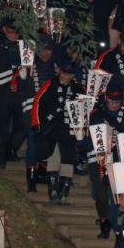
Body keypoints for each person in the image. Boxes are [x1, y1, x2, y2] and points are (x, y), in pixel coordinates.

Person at [31, 55, 83, 203]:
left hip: (69, 131)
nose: (66, 77)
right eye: (64, 73)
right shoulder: (49, 84)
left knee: (68, 160)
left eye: (70, 74)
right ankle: (52, 190)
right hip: (51, 128)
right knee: (53, 157)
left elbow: (85, 109)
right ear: (59, 71)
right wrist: (36, 123)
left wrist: (81, 129)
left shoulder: (78, 88)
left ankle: (64, 193)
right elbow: (37, 103)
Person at [88, 78, 124, 239]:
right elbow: (90, 136)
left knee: (118, 194)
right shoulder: (97, 113)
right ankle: (104, 224)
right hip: (98, 158)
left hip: (120, 159)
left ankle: (118, 228)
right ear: (106, 98)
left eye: (117, 102)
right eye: (111, 102)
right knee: (101, 193)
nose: (114, 105)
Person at [0, 19, 30, 169]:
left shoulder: (25, 44)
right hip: (2, 91)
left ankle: (11, 150)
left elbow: (29, 67)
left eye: (17, 32)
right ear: (5, 29)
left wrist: (22, 79)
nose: (15, 35)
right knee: (3, 123)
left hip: (20, 92)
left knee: (23, 123)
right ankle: (1, 154)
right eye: (12, 32)